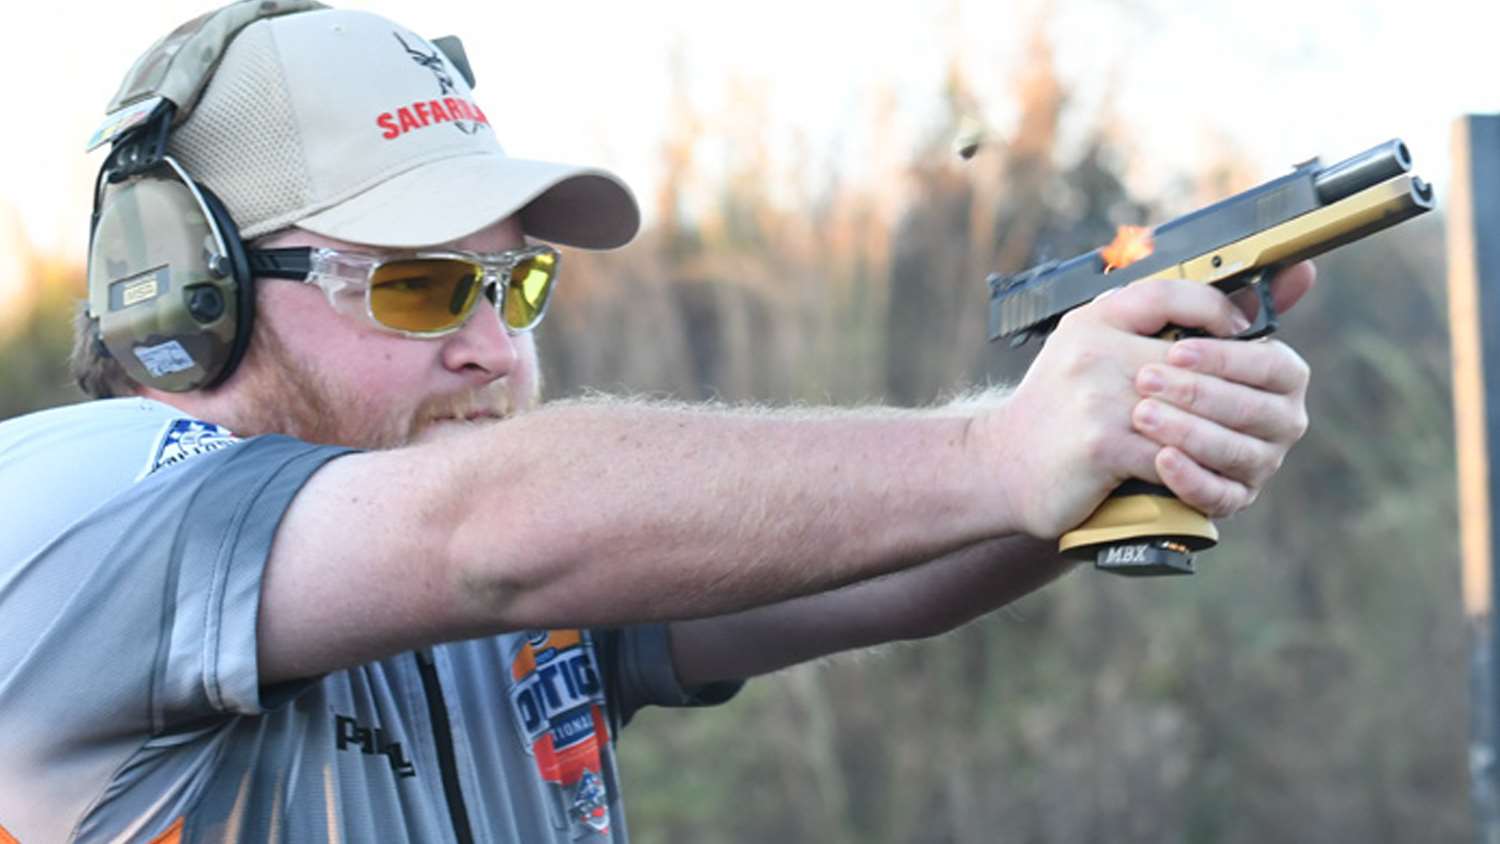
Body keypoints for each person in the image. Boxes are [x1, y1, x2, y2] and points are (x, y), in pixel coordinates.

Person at [0, 2, 1314, 842]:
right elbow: (492, 527)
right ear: (189, 294)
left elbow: (895, 567)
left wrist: (1102, 426)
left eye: (512, 283)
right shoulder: (70, 514)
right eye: (411, 285)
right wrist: (1002, 454)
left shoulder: (481, 553)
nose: (493, 345)